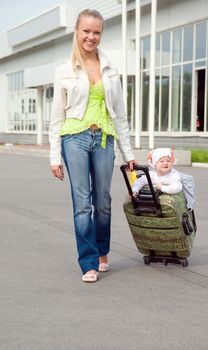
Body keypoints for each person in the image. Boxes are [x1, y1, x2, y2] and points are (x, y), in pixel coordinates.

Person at [49, 9, 136, 283]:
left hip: (104, 139)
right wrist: (54, 156)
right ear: (77, 31)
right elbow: (56, 118)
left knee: (103, 201)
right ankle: (88, 261)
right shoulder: (64, 70)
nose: (91, 37)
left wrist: (128, 153)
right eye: (86, 31)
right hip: (73, 138)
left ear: (101, 34)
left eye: (96, 32)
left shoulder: (111, 69)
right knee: (82, 203)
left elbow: (119, 115)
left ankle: (101, 251)